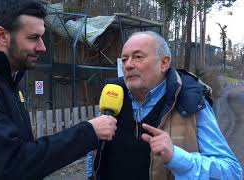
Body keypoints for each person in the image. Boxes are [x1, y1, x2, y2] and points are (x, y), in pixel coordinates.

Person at [0, 0, 118, 179]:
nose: (42, 47)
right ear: (2, 35)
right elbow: (13, 164)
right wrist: (88, 132)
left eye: (42, 37)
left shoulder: (3, 79)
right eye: (33, 38)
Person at [88, 31, 243, 180]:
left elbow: (232, 172)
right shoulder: (113, 96)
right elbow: (94, 156)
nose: (128, 65)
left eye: (138, 57)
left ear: (164, 63)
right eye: (124, 59)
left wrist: (177, 158)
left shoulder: (190, 102)